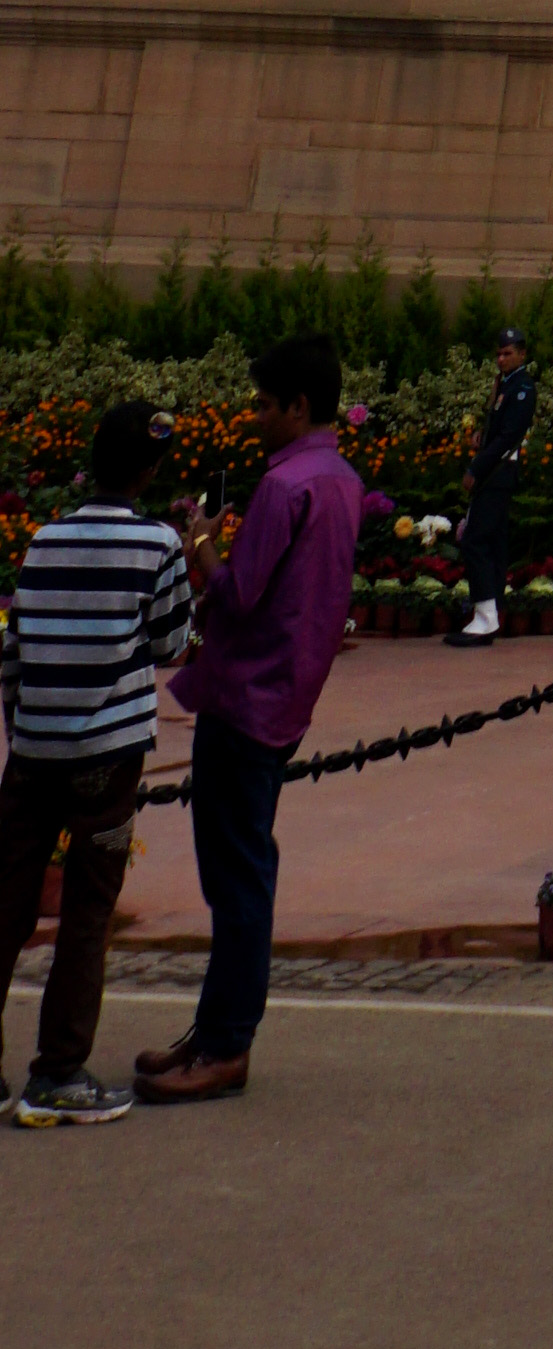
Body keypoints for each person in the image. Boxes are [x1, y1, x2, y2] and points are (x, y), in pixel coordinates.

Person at [132, 333, 372, 1105]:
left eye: (265, 405)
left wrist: (201, 546)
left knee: (235, 877)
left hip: (245, 696)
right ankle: (215, 1029)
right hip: (286, 695)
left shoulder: (284, 485)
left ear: (298, 406)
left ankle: (226, 1042)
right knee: (243, 868)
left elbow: (237, 594)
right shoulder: (340, 479)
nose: (256, 417)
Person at [2, 398, 194, 1125]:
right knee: (87, 914)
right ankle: (58, 1072)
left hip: (32, 751)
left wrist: (24, 731)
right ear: (148, 472)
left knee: (5, 904)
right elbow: (171, 643)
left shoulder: (44, 539)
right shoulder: (159, 543)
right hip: (108, 758)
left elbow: (14, 650)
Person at [454, 329, 539, 644]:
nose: (501, 359)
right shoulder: (505, 384)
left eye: (508, 353)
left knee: (475, 540)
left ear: (522, 355)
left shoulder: (522, 388)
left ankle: (486, 615)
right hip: (496, 472)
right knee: (494, 542)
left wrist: (475, 468)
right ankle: (488, 614)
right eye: (499, 354)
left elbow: (508, 437)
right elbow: (497, 429)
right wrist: (482, 436)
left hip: (497, 474)